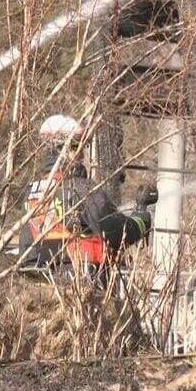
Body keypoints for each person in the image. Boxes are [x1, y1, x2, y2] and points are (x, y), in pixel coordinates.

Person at [20, 115, 155, 279]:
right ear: (68, 149)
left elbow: (27, 254)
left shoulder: (32, 192)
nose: (81, 156)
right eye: (78, 147)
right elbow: (116, 232)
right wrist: (141, 219)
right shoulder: (80, 189)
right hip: (84, 282)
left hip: (47, 283)